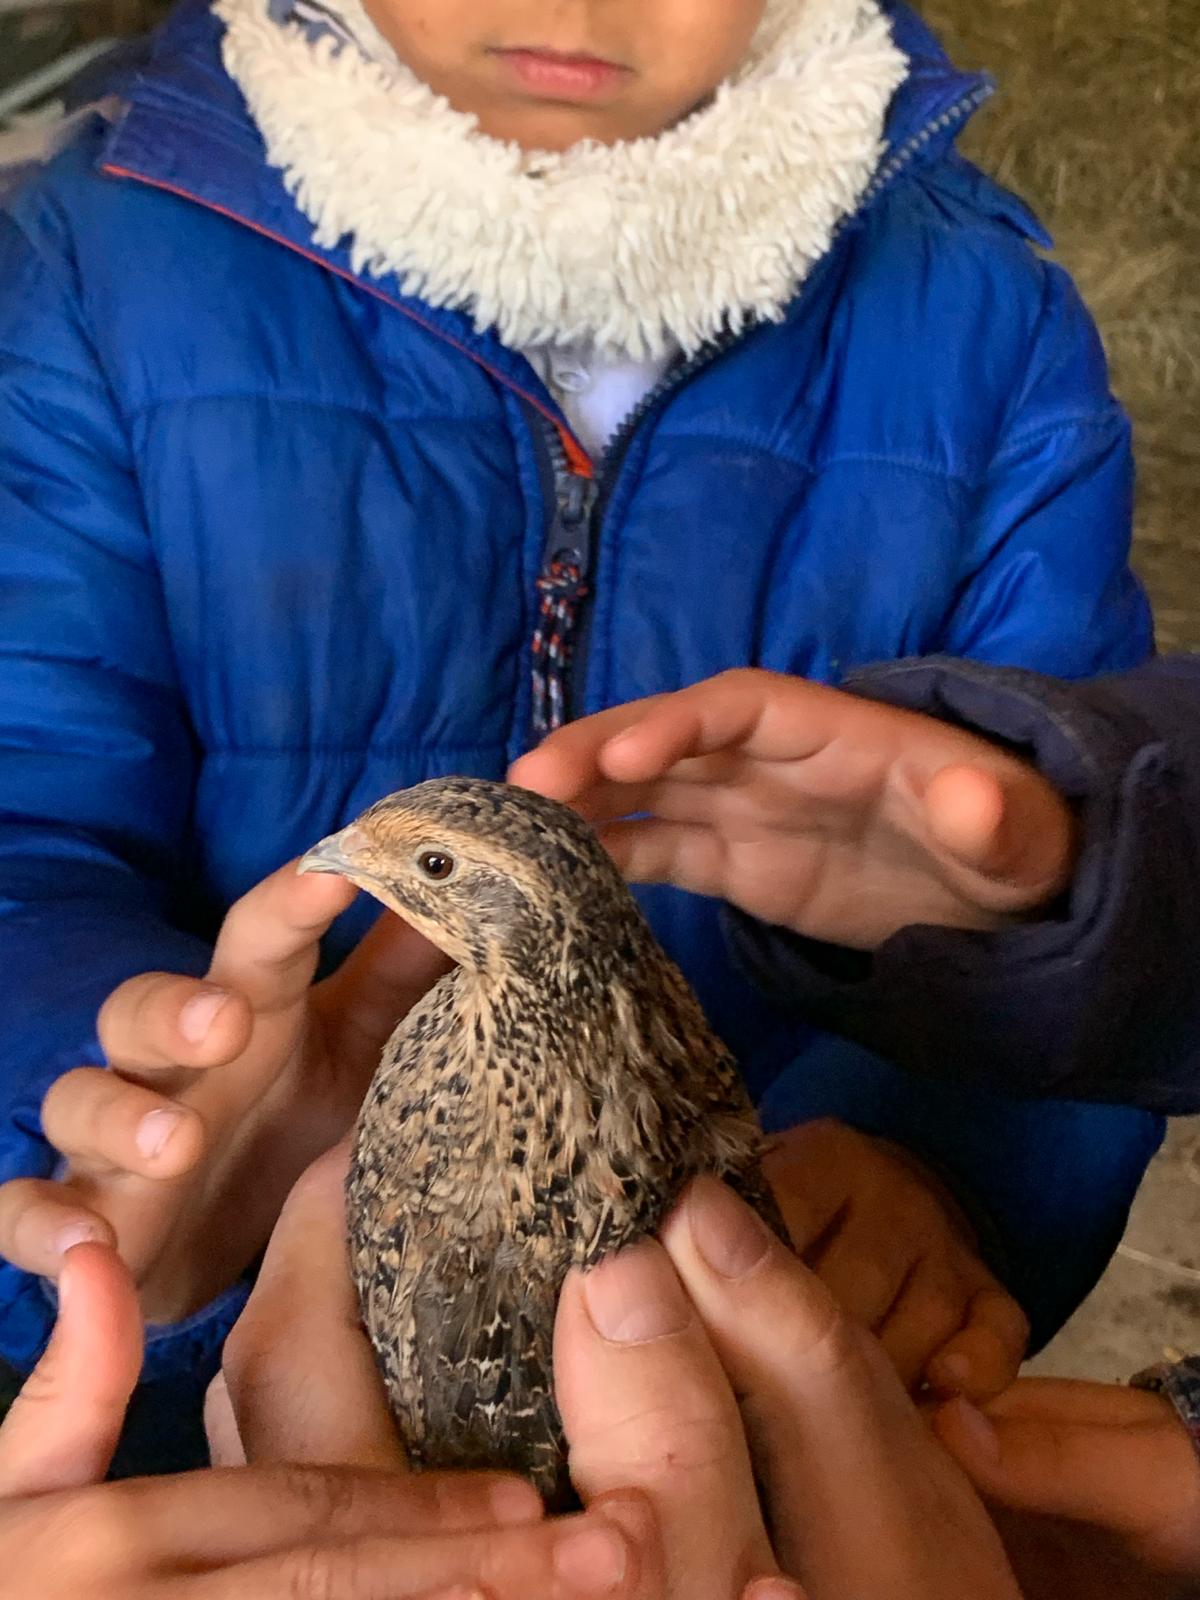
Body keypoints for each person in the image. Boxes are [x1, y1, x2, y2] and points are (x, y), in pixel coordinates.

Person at [0, 0, 1164, 1465]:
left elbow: (1087, 881)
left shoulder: (985, 317)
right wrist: (104, 1104)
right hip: (218, 1405)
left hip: (742, 1388)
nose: (571, 2)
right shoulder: (95, 266)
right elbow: (22, 819)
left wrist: (939, 1164)